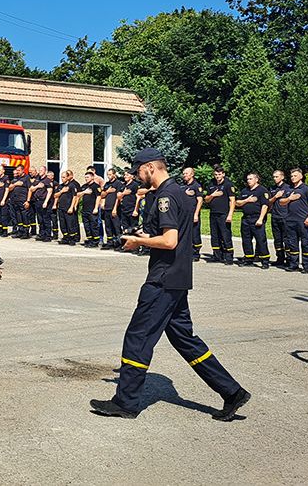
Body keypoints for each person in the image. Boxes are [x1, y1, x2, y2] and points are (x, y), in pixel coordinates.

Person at [90, 148, 250, 421]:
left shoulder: (165, 196)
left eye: (139, 170)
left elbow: (170, 241)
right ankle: (232, 391)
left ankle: (126, 402)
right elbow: (169, 233)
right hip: (178, 277)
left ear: (150, 167)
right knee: (185, 340)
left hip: (163, 280)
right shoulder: (179, 192)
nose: (137, 175)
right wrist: (145, 235)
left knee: (138, 337)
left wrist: (139, 241)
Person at [280, 168, 308, 272]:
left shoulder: (307, 189)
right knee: (292, 243)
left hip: (303, 220)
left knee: (305, 243)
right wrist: (290, 198)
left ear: (301, 176)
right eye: (291, 176)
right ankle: (293, 264)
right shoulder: (289, 189)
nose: (293, 178)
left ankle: (306, 266)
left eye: (295, 176)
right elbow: (281, 202)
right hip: (290, 220)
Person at [235, 173, 270, 267]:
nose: (248, 181)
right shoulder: (244, 190)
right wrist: (246, 200)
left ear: (256, 179)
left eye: (250, 179)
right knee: (246, 240)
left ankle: (265, 260)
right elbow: (237, 203)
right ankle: (248, 258)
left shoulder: (262, 191)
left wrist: (260, 219)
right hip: (246, 218)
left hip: (256, 218)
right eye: (247, 179)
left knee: (260, 240)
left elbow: (265, 206)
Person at [203, 165, 234, 264]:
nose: (217, 176)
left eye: (219, 174)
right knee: (214, 235)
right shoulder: (211, 184)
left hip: (224, 214)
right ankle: (217, 256)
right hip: (213, 213)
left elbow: (232, 200)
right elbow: (206, 199)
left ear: (223, 174)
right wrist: (213, 195)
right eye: (216, 174)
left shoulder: (228, 184)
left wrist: (230, 215)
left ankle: (228, 257)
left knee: (225, 235)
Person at [266, 170, 289, 268]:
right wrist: (276, 196)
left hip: (285, 216)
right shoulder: (272, 188)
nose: (275, 178)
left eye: (277, 176)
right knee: (277, 239)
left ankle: (289, 259)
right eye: (274, 177)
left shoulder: (288, 188)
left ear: (282, 177)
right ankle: (280, 258)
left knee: (286, 239)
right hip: (275, 216)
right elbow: (268, 202)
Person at [181, 167, 205, 258]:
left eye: (186, 173)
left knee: (194, 233)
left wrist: (196, 214)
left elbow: (200, 201)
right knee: (185, 233)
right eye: (183, 174)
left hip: (192, 213)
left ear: (192, 174)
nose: (184, 175)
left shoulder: (196, 186)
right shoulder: (183, 185)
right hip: (184, 214)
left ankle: (196, 253)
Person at [117, 171, 141, 250]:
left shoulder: (134, 185)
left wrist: (136, 210)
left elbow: (138, 197)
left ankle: (135, 247)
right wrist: (124, 193)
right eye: (124, 174)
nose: (125, 176)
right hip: (124, 209)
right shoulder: (123, 185)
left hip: (132, 209)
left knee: (133, 228)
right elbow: (118, 196)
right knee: (125, 228)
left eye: (127, 175)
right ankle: (126, 246)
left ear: (132, 176)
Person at [100, 168, 124, 249]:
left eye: (110, 174)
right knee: (108, 227)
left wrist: (115, 209)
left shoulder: (118, 184)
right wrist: (107, 191)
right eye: (108, 174)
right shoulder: (107, 184)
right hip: (106, 208)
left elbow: (118, 197)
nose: (108, 176)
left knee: (116, 226)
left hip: (114, 209)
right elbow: (102, 194)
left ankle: (119, 243)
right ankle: (110, 242)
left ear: (114, 174)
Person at [56, 170, 80, 245]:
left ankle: (72, 239)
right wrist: (61, 191)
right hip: (61, 208)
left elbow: (75, 196)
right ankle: (65, 237)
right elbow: (55, 195)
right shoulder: (60, 186)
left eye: (64, 177)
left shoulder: (72, 185)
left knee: (70, 224)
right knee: (62, 224)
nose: (62, 179)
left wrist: (72, 207)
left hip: (68, 207)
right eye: (61, 177)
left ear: (67, 178)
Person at [80, 169, 103, 247]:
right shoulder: (84, 186)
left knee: (93, 225)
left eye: (88, 177)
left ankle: (95, 241)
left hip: (92, 209)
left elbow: (98, 197)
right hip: (85, 209)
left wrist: (96, 208)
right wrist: (84, 192)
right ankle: (89, 240)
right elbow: (77, 194)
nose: (86, 179)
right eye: (85, 177)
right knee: (86, 226)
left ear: (92, 177)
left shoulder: (96, 186)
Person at [7, 165, 31, 239]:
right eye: (17, 170)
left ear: (23, 170)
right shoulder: (16, 179)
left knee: (25, 217)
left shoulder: (26, 178)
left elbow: (30, 189)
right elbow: (9, 188)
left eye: (19, 170)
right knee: (18, 217)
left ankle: (26, 232)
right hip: (15, 201)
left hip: (23, 200)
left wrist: (28, 201)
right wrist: (15, 184)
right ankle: (20, 231)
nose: (17, 172)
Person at [0, 167, 11, 236]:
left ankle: (5, 231)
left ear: (3, 171)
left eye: (0, 170)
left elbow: (7, 190)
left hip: (3, 200)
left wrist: (3, 200)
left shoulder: (6, 179)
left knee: (4, 216)